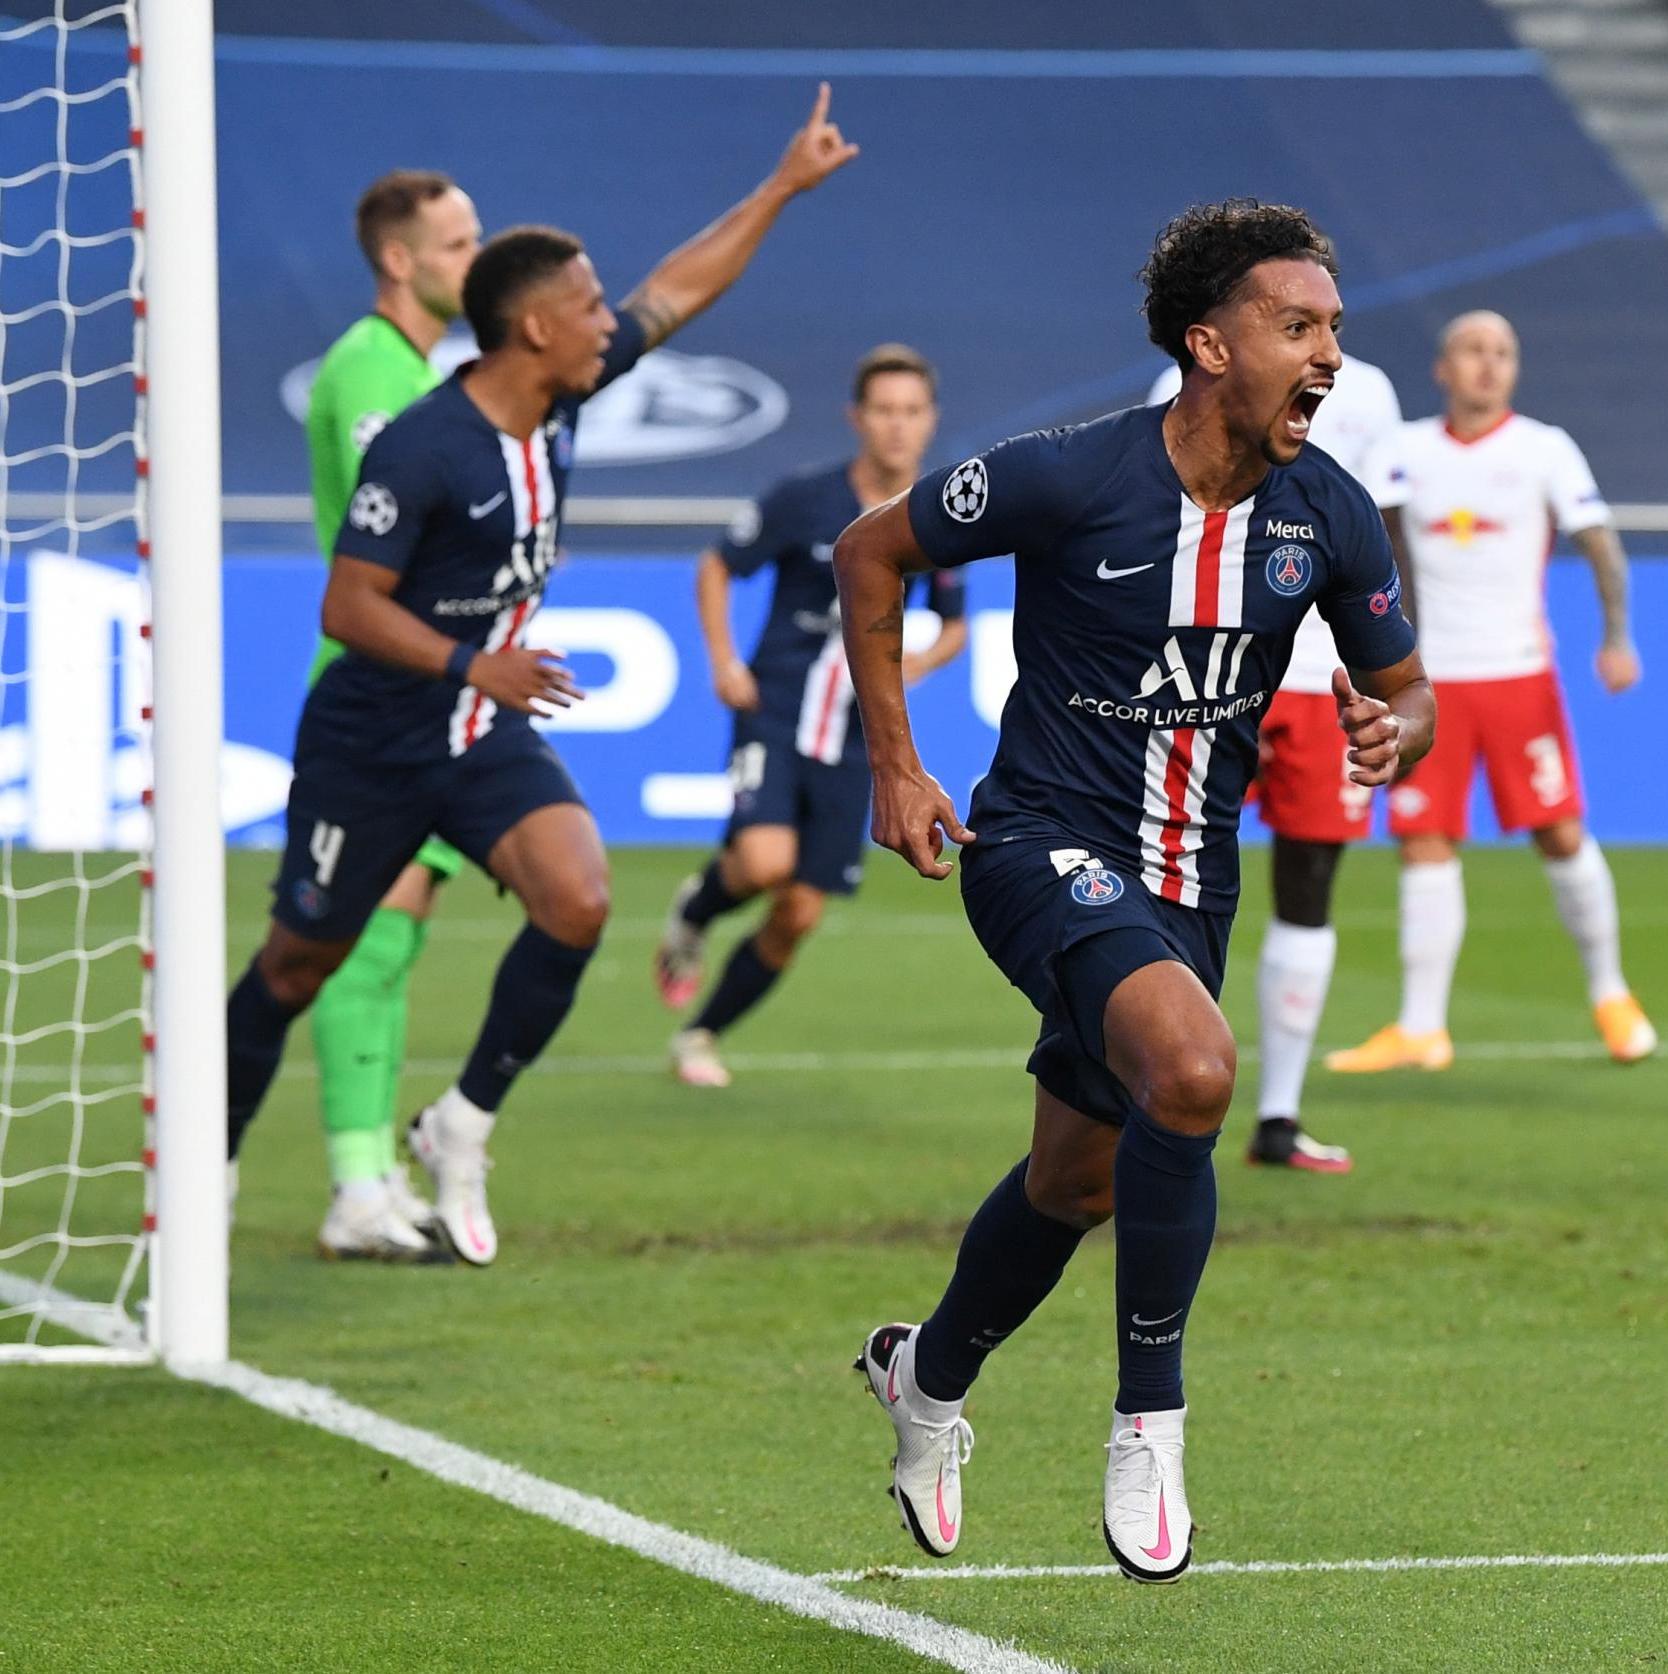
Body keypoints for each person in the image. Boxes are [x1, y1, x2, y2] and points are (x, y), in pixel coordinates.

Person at [833, 199, 1433, 1581]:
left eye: (1334, 326)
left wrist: (1399, 729)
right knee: (1196, 1068)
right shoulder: (1072, 475)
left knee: (1075, 1178)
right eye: (1300, 326)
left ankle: (924, 1376)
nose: (1329, 353)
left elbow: (1410, 690)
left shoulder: (1328, 513)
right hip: (1038, 839)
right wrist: (896, 765)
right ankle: (1149, 1422)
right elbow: (871, 549)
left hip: (1188, 886)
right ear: (1209, 344)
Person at [224, 87, 861, 1264]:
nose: (605, 319)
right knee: (298, 963)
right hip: (374, 734)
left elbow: (677, 291)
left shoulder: (563, 397)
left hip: (475, 723)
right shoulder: (424, 442)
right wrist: (480, 661)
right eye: (581, 305)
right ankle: (204, 1161)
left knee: (577, 896)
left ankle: (458, 1123)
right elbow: (347, 603)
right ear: (530, 332)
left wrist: (780, 186)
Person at [1328, 311, 1655, 1074]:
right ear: (1441, 368)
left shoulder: (1543, 449)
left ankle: (1610, 993)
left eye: (1502, 352)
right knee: (1423, 840)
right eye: (1472, 351)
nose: (1487, 364)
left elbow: (1597, 541)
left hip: (1517, 677)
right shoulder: (1402, 448)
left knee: (1559, 832)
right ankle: (1420, 1027)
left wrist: (1615, 635)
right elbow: (1370, 537)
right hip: (1428, 683)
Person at [654, 345, 968, 1083]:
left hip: (857, 733)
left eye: (910, 412)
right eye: (883, 411)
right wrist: (723, 660)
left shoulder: (937, 514)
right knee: (766, 863)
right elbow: (715, 566)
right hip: (775, 707)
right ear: (857, 419)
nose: (896, 427)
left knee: (798, 913)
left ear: (930, 421)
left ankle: (698, 1035)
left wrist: (913, 665)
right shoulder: (805, 497)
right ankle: (696, 911)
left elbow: (954, 623)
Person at [1147, 353, 1404, 1174]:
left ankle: (1279, 1115)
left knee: (1310, 881)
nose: (1317, 336)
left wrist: (1399, 670)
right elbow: (1149, 523)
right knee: (1158, 871)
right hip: (1205, 669)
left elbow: (1383, 531)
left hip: (1321, 678)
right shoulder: (1181, 385)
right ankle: (1139, 1096)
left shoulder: (1368, 391)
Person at [299, 170, 482, 1262]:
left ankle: (367, 1174)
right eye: (457, 243)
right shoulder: (371, 371)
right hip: (375, 696)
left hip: (425, 695)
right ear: (401, 259)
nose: (475, 258)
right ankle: (353, 1179)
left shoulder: (417, 369)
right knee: (357, 946)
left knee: (394, 939)